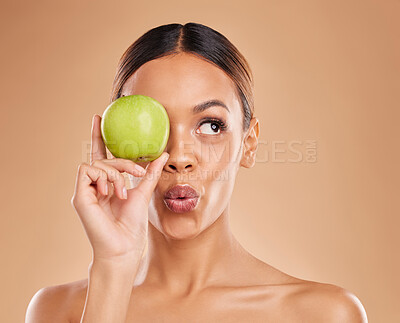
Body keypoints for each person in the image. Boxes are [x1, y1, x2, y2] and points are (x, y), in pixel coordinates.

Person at [26, 22, 368, 322]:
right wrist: (114, 267)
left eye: (211, 125)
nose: (178, 157)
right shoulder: (58, 311)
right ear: (116, 142)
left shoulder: (324, 314)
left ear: (249, 144)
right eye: (154, 125)